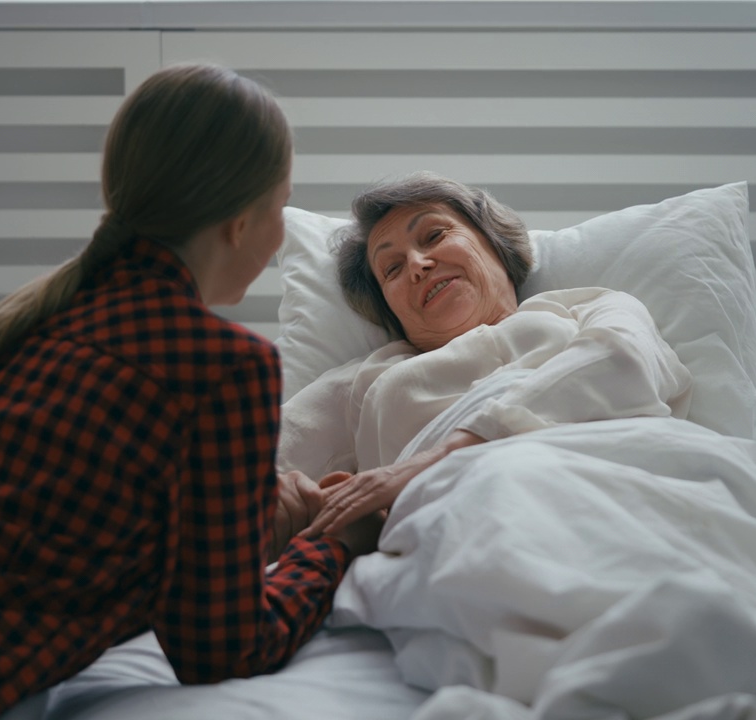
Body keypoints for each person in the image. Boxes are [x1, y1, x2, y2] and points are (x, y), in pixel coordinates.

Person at [0, 63, 380, 720]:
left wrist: (252, 520)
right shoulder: (227, 367)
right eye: (280, 208)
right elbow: (223, 650)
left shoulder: (43, 318)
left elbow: (57, 525)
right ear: (241, 223)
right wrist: (335, 544)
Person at [293, 171, 694, 538]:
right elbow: (261, 468)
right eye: (392, 269)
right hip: (451, 537)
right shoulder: (369, 378)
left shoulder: (588, 308)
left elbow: (625, 363)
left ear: (495, 244)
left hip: (619, 499)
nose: (417, 264)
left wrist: (435, 459)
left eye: (434, 236)